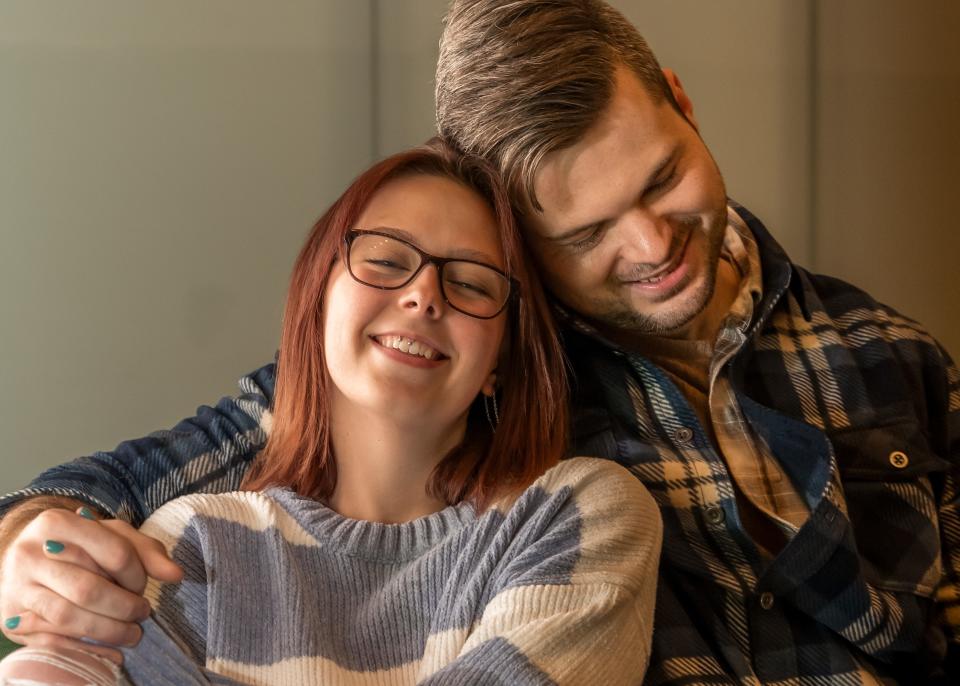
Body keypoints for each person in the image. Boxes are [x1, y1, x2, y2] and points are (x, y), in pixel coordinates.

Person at [1, 0, 957, 682]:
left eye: (663, 179)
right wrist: (23, 547)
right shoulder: (482, 356)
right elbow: (116, 486)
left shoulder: (895, 353)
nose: (652, 244)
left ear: (681, 101)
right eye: (583, 236)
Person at [0, 141, 660, 685]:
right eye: (384, 261)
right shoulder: (196, 544)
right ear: (316, 306)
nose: (424, 296)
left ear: (500, 362)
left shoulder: (576, 517)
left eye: (469, 283)